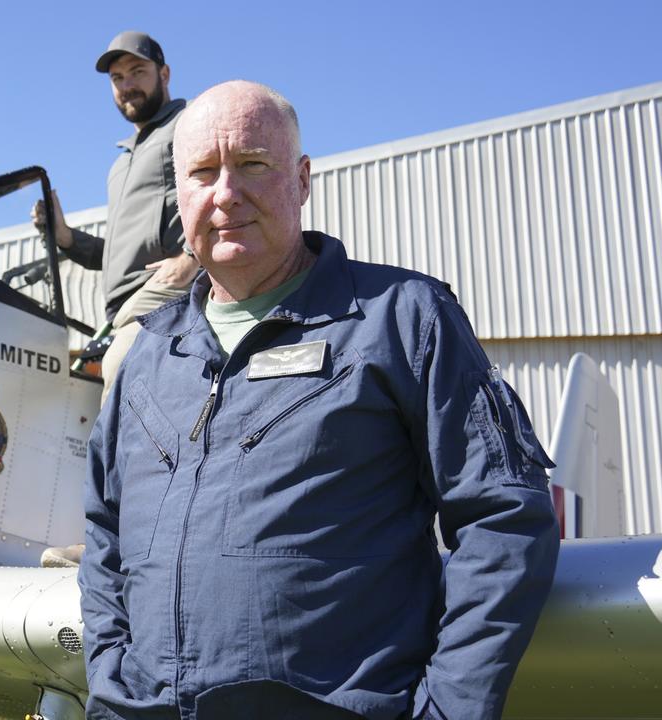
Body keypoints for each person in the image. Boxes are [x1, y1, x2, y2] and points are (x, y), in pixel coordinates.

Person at [78, 80, 560, 720]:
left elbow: (504, 517)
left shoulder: (404, 320)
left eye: (253, 165)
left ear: (302, 179)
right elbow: (103, 535)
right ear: (180, 195)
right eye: (202, 173)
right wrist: (111, 687)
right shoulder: (147, 355)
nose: (226, 194)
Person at [32, 31, 200, 396]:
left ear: (165, 74)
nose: (127, 85)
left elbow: (221, 192)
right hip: (119, 313)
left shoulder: (187, 127)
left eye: (137, 72)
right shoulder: (120, 164)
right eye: (117, 78)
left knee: (121, 368)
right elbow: (118, 254)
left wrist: (191, 258)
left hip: (162, 297)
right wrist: (65, 237)